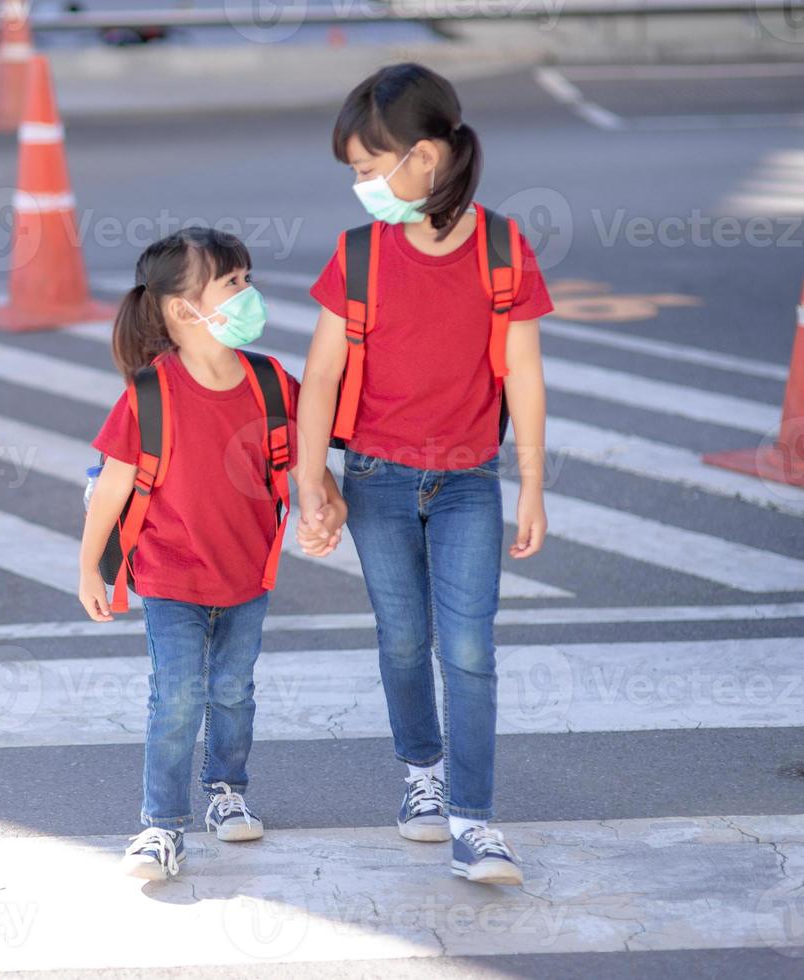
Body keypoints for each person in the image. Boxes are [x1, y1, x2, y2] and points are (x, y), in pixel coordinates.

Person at [293, 63, 552, 886]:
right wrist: (313, 480)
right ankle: (422, 776)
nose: (363, 185)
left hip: (472, 481)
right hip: (375, 479)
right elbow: (322, 375)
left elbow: (524, 375)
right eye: (356, 173)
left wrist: (535, 485)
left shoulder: (503, 249)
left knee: (469, 649)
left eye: (372, 168)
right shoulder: (359, 256)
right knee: (405, 641)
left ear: (429, 157)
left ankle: (475, 822)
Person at [79, 227, 347, 879]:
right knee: (177, 697)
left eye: (247, 280)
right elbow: (111, 487)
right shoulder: (151, 393)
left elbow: (303, 461)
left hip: (247, 574)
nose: (248, 294)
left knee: (231, 692)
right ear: (181, 309)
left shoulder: (267, 381)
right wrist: (90, 566)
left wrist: (324, 505)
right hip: (170, 577)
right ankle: (159, 826)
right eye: (232, 284)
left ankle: (226, 791)